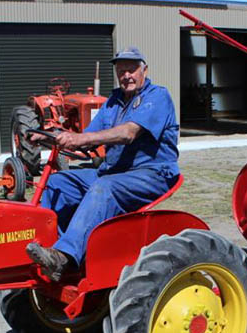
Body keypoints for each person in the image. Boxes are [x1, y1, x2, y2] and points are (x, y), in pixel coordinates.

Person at [25, 46, 180, 281]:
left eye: (131, 69)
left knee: (104, 187)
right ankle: (52, 249)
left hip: (152, 174)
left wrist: (82, 138)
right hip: (115, 172)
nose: (126, 75)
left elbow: (128, 133)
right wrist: (50, 136)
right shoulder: (113, 101)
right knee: (57, 183)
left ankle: (64, 256)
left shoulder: (157, 96)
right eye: (121, 70)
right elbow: (87, 138)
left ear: (144, 70)